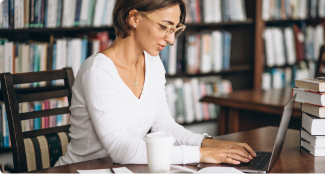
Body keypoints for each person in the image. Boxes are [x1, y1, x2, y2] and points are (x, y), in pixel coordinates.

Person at [55, 0, 256, 166]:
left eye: (175, 29)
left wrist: (208, 143)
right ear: (133, 18)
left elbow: (164, 126)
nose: (171, 40)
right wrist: (201, 154)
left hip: (124, 169)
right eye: (164, 27)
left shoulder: (153, 62)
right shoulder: (98, 71)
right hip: (80, 170)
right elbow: (122, 149)